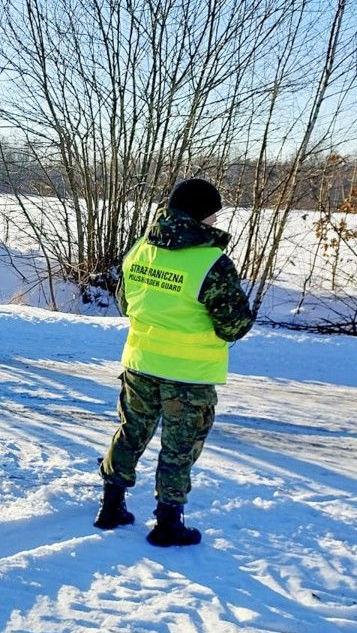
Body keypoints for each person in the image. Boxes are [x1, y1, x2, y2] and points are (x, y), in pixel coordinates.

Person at [95, 178, 255, 546]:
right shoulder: (212, 263)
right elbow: (234, 325)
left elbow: (125, 304)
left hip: (140, 361)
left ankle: (111, 506)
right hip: (189, 374)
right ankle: (168, 523)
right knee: (179, 447)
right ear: (203, 215)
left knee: (131, 432)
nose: (215, 220)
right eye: (213, 214)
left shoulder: (141, 249)